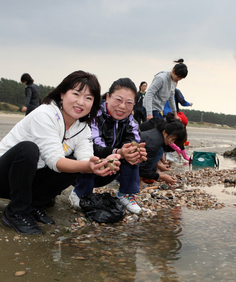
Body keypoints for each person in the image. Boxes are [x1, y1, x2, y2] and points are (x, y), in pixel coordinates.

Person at [0, 70, 120, 234]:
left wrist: (100, 163)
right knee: (27, 149)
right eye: (76, 94)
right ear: (62, 94)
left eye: (88, 98)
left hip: (28, 181)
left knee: (75, 164)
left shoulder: (83, 128)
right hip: (5, 177)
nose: (81, 102)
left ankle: (34, 205)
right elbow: (55, 161)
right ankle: (16, 211)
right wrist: (86, 166)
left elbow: (86, 158)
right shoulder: (45, 114)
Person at [69, 78, 147, 214]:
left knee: (132, 151)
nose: (122, 106)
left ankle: (125, 194)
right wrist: (118, 152)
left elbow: (130, 142)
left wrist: (131, 152)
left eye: (129, 103)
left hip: (110, 168)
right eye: (118, 100)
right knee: (89, 154)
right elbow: (92, 144)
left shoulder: (132, 122)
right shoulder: (93, 114)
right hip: (80, 168)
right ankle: (80, 192)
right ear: (108, 97)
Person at [139, 119, 187, 185]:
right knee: (160, 151)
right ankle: (136, 181)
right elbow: (143, 170)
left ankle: (138, 179)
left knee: (160, 150)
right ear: (165, 132)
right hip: (127, 166)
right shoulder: (155, 142)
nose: (172, 142)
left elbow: (146, 163)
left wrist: (157, 171)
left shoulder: (155, 134)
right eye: (173, 139)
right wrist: (163, 177)